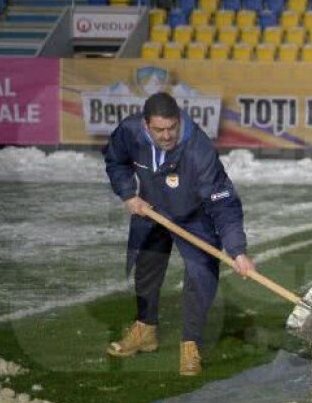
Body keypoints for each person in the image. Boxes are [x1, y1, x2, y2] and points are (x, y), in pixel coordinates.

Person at [103, 92, 256, 376]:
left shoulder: (199, 150)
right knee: (147, 268)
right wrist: (127, 194)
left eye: (172, 127)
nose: (167, 135)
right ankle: (145, 330)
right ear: (145, 125)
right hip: (151, 208)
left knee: (201, 275)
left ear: (179, 120)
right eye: (159, 129)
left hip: (194, 216)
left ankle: (190, 343)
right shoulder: (129, 131)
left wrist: (237, 250)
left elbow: (224, 202)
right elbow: (115, 160)